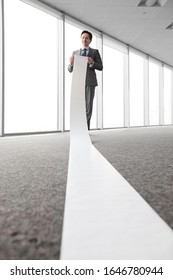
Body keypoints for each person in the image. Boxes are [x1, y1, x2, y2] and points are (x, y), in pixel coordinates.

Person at [68, 30, 103, 130]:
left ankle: (85, 129)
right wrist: (71, 63)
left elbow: (100, 67)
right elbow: (70, 70)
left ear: (90, 40)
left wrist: (92, 63)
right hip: (78, 83)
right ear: (81, 39)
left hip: (90, 82)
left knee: (88, 107)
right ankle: (78, 129)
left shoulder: (94, 52)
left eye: (87, 38)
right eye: (83, 37)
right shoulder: (75, 53)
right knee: (78, 107)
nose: (84, 39)